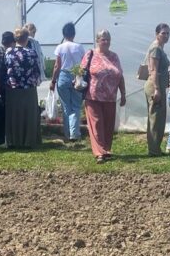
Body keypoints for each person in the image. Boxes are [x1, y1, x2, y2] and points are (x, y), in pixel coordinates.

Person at [83, 29, 126, 163]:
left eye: (108, 39)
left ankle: (106, 150)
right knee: (96, 124)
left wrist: (123, 93)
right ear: (97, 41)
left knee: (108, 125)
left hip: (110, 97)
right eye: (103, 39)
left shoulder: (114, 56)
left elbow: (120, 75)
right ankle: (99, 153)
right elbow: (80, 71)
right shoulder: (90, 54)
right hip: (93, 95)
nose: (106, 42)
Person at [4, 27, 42, 148]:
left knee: (14, 115)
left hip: (13, 89)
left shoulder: (8, 52)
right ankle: (29, 141)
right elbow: (37, 71)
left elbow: (6, 68)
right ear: (27, 39)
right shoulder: (32, 52)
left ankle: (13, 140)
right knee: (29, 115)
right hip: (29, 89)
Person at [50, 22, 86, 143]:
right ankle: (74, 134)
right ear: (74, 34)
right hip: (77, 77)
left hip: (63, 77)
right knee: (76, 106)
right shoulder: (79, 47)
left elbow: (57, 66)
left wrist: (53, 81)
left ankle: (67, 133)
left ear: (63, 34)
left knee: (66, 107)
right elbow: (83, 64)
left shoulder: (60, 47)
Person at [144, 23, 170, 155]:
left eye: (167, 33)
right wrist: (157, 89)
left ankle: (155, 148)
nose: (166, 36)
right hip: (155, 86)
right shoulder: (155, 48)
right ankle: (154, 150)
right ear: (157, 34)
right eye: (163, 33)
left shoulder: (159, 48)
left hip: (159, 85)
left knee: (159, 117)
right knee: (155, 118)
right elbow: (153, 70)